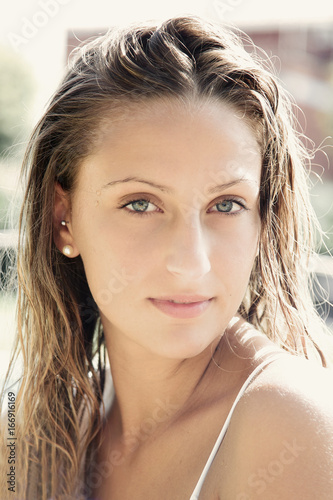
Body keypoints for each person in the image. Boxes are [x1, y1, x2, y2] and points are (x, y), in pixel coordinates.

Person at [1, 15, 333, 500]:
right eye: (141, 204)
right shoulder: (33, 424)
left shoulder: (291, 427)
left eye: (226, 205)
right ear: (63, 219)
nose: (191, 262)